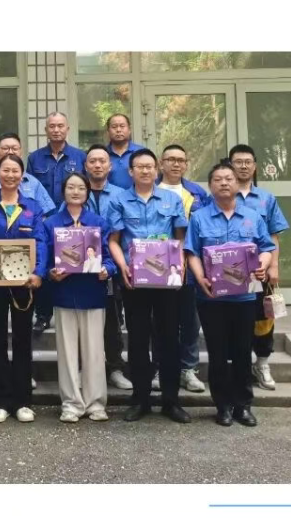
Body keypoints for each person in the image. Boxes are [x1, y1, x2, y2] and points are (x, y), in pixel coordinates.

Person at [185, 162, 275, 427]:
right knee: (217, 353)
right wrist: (200, 277)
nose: (224, 183)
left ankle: (243, 405)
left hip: (244, 298)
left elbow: (266, 247)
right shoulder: (199, 217)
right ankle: (222, 406)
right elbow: (192, 252)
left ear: (237, 183)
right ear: (210, 186)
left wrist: (263, 265)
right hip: (211, 298)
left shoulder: (253, 217)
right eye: (218, 179)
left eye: (228, 178)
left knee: (242, 351)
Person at [107, 148, 191, 423]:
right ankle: (140, 399)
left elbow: (180, 237)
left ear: (157, 170)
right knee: (138, 340)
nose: (145, 170)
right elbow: (113, 241)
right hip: (135, 282)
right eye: (140, 167)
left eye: (150, 166)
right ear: (131, 171)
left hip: (167, 282)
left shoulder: (171, 199)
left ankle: (171, 401)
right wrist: (123, 267)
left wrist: (180, 266)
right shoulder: (119, 200)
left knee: (169, 339)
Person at [0, 133, 55, 390]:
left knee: (22, 337)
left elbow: (41, 241)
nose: (10, 175)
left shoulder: (32, 208)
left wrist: (39, 272)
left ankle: (23, 397)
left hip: (24, 282)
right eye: (5, 170)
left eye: (15, 171)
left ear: (22, 175)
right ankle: (0, 398)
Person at [45, 173, 115, 422]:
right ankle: (71, 403)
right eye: (71, 187)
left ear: (87, 193)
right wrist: (51, 273)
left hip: (92, 293)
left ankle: (96, 403)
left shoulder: (98, 223)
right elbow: (44, 259)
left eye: (81, 188)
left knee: (95, 352)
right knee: (67, 353)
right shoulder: (51, 223)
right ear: (63, 192)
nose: (75, 192)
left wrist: (107, 269)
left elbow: (109, 257)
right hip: (64, 294)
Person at [228, 144, 289, 391]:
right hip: (231, 272)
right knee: (235, 318)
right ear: (230, 165)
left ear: (254, 167)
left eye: (248, 162)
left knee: (264, 317)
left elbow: (274, 235)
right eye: (238, 162)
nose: (243, 166)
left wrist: (274, 266)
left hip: (260, 271)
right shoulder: (222, 194)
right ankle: (238, 367)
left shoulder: (266, 198)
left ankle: (262, 363)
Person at [151, 144, 209, 393]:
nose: (176, 164)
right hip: (157, 267)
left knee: (189, 320)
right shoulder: (149, 189)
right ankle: (159, 368)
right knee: (160, 322)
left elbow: (205, 225)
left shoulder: (196, 192)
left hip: (190, 265)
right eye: (170, 159)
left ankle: (188, 369)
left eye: (180, 160)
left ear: (186, 164)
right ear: (161, 163)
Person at [27, 112, 87, 334]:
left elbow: (84, 188)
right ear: (46, 130)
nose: (56, 130)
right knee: (45, 265)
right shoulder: (34, 158)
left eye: (60, 126)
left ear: (67, 129)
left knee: (69, 266)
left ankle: (70, 308)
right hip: (44, 222)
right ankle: (43, 315)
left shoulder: (80, 156)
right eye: (52, 126)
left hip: (72, 221)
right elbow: (30, 190)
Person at [83, 144, 131, 391]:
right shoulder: (76, 191)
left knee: (112, 319)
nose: (98, 165)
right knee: (83, 321)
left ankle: (114, 367)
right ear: (86, 166)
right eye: (92, 161)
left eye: (102, 161)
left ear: (110, 166)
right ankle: (85, 369)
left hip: (112, 266)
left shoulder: (122, 195)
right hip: (81, 270)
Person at [105, 114, 145, 190]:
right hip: (109, 197)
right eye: (114, 127)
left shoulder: (142, 152)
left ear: (129, 130)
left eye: (122, 126)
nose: (118, 130)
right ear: (108, 131)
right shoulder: (102, 154)